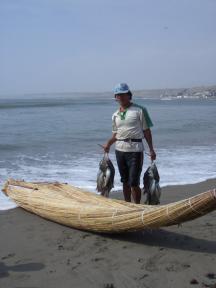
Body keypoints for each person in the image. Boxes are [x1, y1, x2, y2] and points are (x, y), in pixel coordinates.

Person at [102, 83, 156, 204]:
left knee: (134, 182)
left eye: (123, 94)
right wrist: (108, 144)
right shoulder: (115, 115)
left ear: (129, 95)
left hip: (135, 150)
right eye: (118, 95)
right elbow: (116, 134)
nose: (120, 97)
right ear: (115, 97)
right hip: (119, 150)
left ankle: (136, 207)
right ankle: (127, 205)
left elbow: (146, 131)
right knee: (124, 181)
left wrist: (151, 149)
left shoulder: (140, 110)